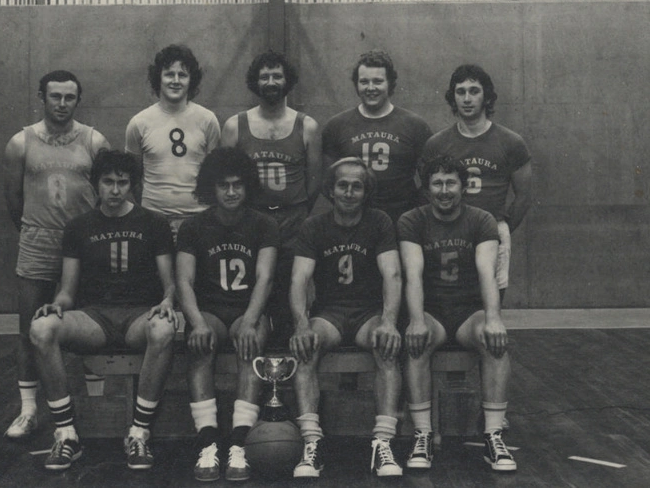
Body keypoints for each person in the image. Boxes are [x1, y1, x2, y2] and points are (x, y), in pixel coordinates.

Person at [29, 149, 178, 471]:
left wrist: (167, 302)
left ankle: (138, 434)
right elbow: (68, 291)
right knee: (41, 329)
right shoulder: (79, 226)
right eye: (107, 182)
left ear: (133, 185)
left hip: (139, 316)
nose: (114, 190)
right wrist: (57, 305)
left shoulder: (154, 223)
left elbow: (169, 284)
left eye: (122, 183)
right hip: (94, 318)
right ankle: (66, 434)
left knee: (165, 329)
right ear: (96, 184)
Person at [2, 70, 110, 439]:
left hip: (86, 248)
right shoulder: (21, 142)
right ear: (41, 98)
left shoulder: (95, 141)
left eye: (69, 97)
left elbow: (106, 195)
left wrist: (85, 239)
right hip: (38, 243)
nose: (62, 104)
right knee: (27, 330)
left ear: (78, 100)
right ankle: (28, 410)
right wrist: (37, 230)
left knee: (94, 325)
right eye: (55, 97)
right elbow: (14, 201)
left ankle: (97, 404)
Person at [398, 155, 515, 472]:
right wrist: (418, 320)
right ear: (427, 188)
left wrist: (493, 319)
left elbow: (486, 273)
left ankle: (492, 434)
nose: (444, 190)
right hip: (433, 311)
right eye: (437, 183)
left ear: (463, 187)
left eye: (451, 183)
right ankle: (423, 434)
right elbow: (413, 275)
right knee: (416, 343)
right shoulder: (412, 220)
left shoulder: (481, 219)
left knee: (495, 343)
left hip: (467, 312)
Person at [288, 158, 403, 479]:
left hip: (369, 313)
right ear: (330, 189)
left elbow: (392, 274)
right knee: (306, 345)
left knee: (386, 345)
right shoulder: (314, 225)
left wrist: (389, 321)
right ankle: (311, 444)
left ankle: (383, 443)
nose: (350, 192)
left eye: (357, 186)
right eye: (343, 185)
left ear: (366, 192)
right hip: (331, 315)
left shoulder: (379, 222)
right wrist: (301, 324)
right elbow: (298, 279)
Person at [176, 147, 279, 482]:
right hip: (210, 309)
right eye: (224, 186)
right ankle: (208, 443)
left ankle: (238, 443)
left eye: (238, 185)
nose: (232, 192)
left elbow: (265, 277)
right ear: (212, 188)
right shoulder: (193, 226)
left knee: (250, 344)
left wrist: (251, 320)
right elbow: (184, 280)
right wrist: (197, 323)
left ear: (248, 186)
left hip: (246, 308)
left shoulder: (264, 224)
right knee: (199, 346)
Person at [221, 50, 322, 346]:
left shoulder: (308, 126)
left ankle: (291, 372)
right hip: (251, 219)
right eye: (264, 76)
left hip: (293, 219)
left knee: (295, 294)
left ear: (287, 80)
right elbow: (227, 178)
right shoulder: (235, 125)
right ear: (255, 81)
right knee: (255, 295)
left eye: (277, 75)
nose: (271, 81)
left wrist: (294, 209)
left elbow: (314, 181)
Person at [420, 64, 532, 297]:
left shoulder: (510, 142)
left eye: (474, 91)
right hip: (447, 233)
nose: (467, 98)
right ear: (453, 98)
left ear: (487, 96)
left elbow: (524, 196)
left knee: (489, 307)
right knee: (446, 302)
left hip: (490, 233)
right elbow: (426, 191)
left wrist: (501, 229)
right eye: (460, 92)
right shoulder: (437, 143)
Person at [321, 50, 432, 223]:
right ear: (356, 85)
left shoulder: (415, 126)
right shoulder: (336, 125)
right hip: (354, 220)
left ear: (390, 84)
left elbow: (430, 180)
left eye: (378, 81)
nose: (371, 88)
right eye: (364, 81)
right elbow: (326, 181)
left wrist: (411, 212)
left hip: (401, 218)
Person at [125, 44, 221, 241]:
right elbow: (133, 177)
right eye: (169, 74)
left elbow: (214, 175)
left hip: (198, 219)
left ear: (191, 80)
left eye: (182, 75)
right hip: (154, 220)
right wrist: (155, 207)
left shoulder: (208, 120)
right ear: (158, 78)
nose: (176, 81)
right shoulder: (139, 123)